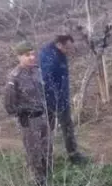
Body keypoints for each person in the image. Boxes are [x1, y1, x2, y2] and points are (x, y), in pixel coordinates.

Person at [4, 41, 55, 186]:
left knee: (47, 153)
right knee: (34, 156)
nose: (31, 57)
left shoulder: (38, 72)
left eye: (33, 54)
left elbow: (46, 93)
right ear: (19, 56)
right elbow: (9, 106)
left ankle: (48, 185)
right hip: (29, 122)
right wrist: (25, 112)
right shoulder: (14, 77)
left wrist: (51, 111)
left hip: (44, 118)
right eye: (27, 55)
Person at [38, 34, 87, 164]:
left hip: (62, 98)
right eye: (68, 48)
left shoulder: (60, 54)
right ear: (59, 45)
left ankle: (73, 154)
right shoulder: (48, 57)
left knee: (67, 126)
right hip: (50, 101)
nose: (70, 51)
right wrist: (55, 100)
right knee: (48, 128)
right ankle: (45, 156)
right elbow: (46, 81)